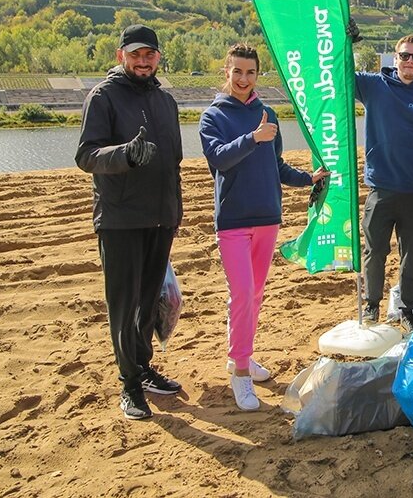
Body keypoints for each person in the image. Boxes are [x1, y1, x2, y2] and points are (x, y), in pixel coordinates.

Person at [199, 44, 329, 411]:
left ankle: (242, 356)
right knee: (241, 294)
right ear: (226, 71)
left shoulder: (267, 113)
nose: (243, 79)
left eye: (250, 73)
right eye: (237, 71)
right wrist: (253, 138)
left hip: (267, 217)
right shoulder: (213, 117)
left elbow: (277, 166)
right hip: (233, 222)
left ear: (257, 75)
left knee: (254, 295)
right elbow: (220, 159)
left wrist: (308, 178)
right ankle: (239, 373)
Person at [75, 24, 183, 421]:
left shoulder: (165, 100)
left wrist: (176, 209)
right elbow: (86, 155)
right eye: (135, 54)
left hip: (159, 218)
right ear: (121, 55)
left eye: (149, 54)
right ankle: (129, 384)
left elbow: (174, 162)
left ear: (157, 57)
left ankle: (144, 368)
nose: (142, 61)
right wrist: (124, 154)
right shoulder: (103, 97)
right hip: (119, 219)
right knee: (123, 306)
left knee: (147, 303)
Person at [355, 34, 413, 333]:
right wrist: (349, 44)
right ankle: (371, 304)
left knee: (411, 256)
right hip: (380, 188)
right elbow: (336, 69)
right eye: (404, 56)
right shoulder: (373, 86)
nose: (410, 61)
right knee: (375, 250)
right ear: (394, 58)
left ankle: (407, 310)